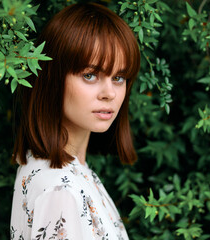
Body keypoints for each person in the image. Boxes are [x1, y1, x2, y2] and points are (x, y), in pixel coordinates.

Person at [10, 2, 140, 240]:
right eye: (90, 75)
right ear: (53, 77)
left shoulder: (71, 171)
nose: (109, 93)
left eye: (119, 77)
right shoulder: (59, 189)